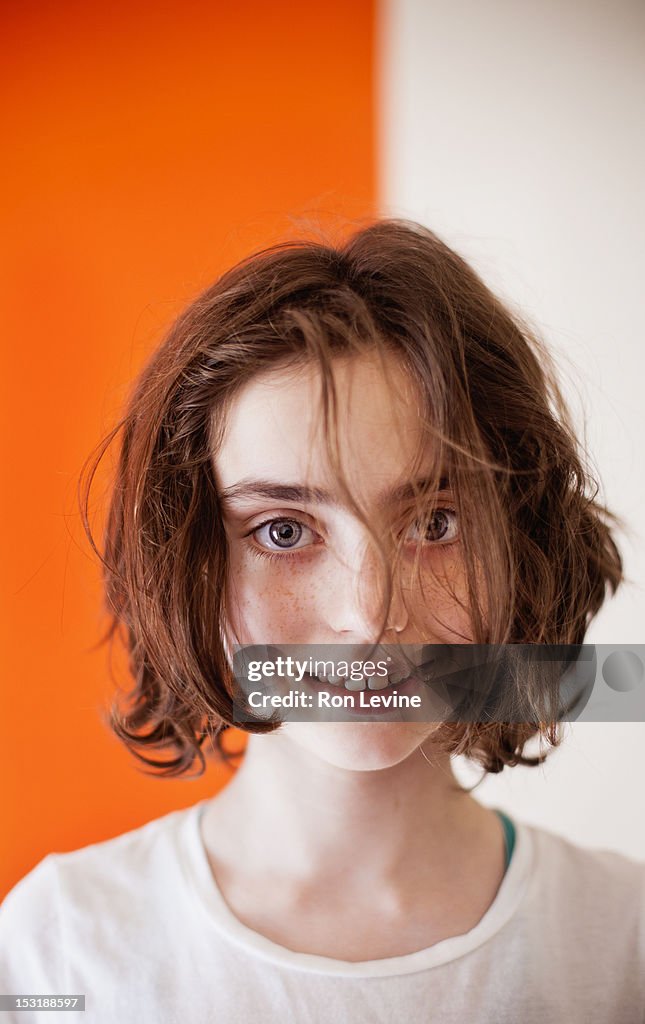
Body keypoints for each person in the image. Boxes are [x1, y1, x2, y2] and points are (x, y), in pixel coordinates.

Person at [1, 219, 643, 1023]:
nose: (366, 616)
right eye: (283, 532)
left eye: (434, 522)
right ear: (189, 563)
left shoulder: (623, 943)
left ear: (520, 541)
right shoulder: (58, 946)